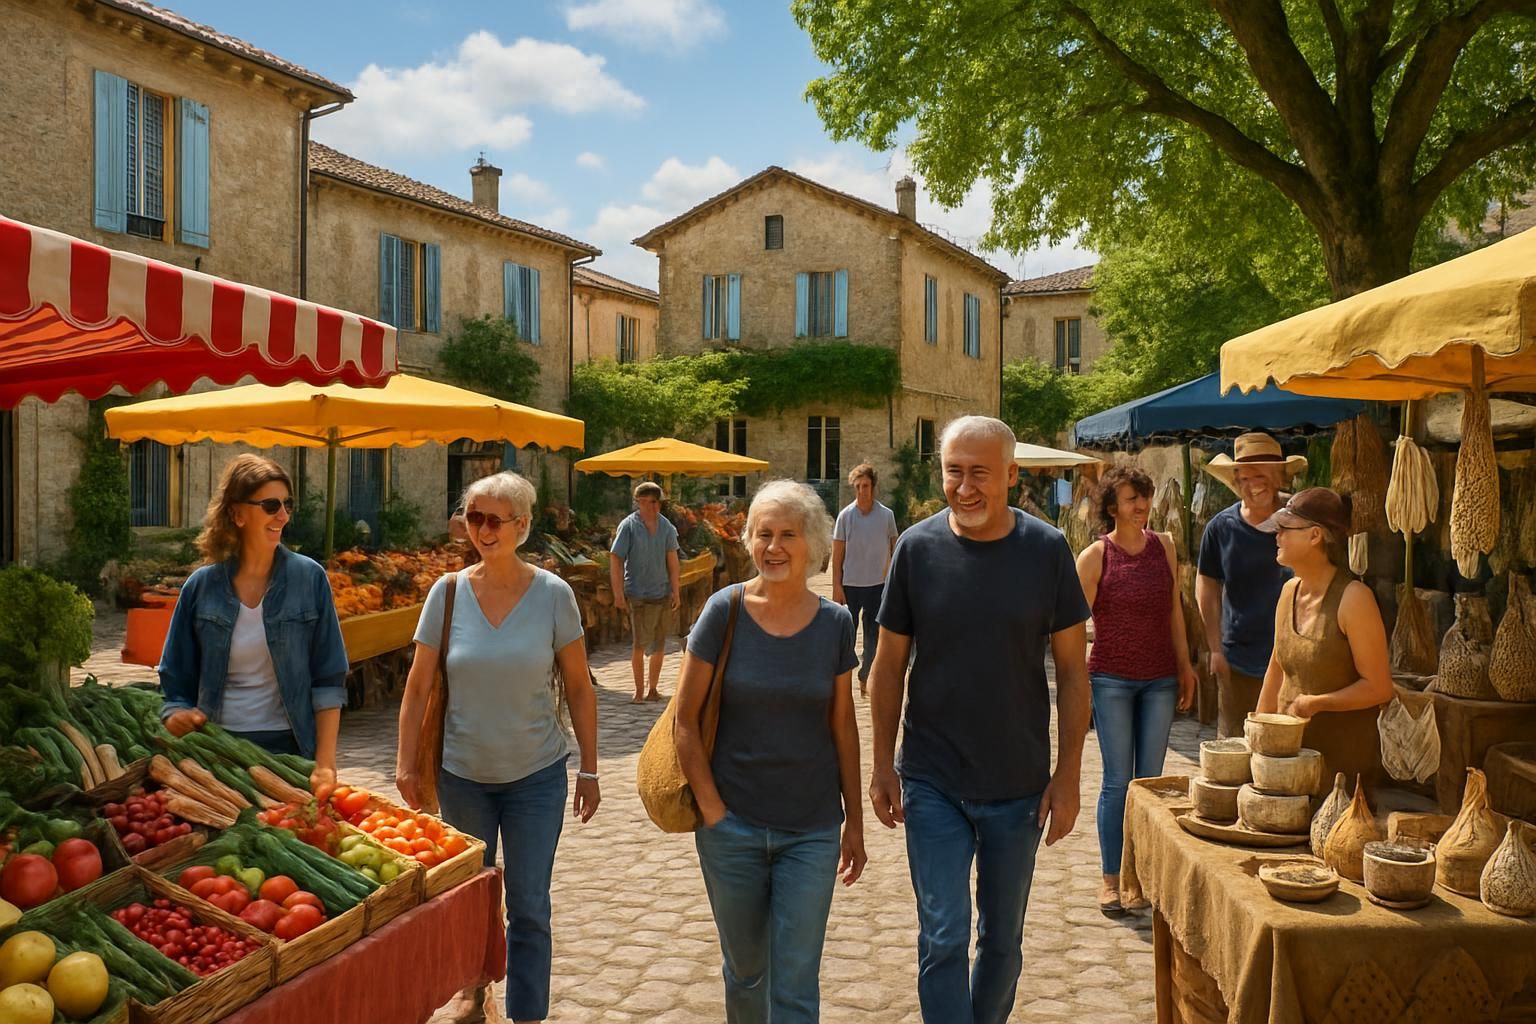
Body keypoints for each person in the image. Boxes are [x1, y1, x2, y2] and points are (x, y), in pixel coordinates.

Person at [868, 416, 1091, 1024]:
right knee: (943, 937)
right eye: (954, 472)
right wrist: (881, 765)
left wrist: (1068, 775)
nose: (964, 487)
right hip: (932, 777)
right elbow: (887, 667)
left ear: (1012, 477)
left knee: (1001, 943)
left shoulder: (1047, 551)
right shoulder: (916, 548)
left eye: (980, 474)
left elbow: (1074, 671)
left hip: (1018, 784)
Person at [395, 471, 599, 1024]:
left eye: (495, 519)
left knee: (529, 903)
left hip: (536, 774)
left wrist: (591, 769)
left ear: (523, 525)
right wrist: (406, 762)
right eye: (474, 518)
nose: (483, 530)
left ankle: (527, 1012)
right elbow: (417, 686)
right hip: (463, 774)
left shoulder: (554, 595)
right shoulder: (449, 592)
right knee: (470, 899)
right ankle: (472, 988)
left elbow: (579, 686)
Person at [674, 480, 866, 1023]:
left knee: (797, 981)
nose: (775, 547)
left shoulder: (834, 623)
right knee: (746, 971)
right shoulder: (723, 611)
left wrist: (852, 822)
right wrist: (712, 811)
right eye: (764, 534)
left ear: (814, 544)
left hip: (811, 829)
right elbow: (685, 720)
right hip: (730, 828)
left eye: (788, 534)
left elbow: (844, 728)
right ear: (748, 541)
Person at [158, 454, 346, 799]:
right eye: (271, 505)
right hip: (217, 752)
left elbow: (328, 679)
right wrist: (176, 714)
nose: (283, 516)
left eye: (287, 505)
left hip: (290, 751)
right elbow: (175, 680)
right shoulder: (201, 587)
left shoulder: (309, 579)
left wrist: (325, 763)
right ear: (237, 514)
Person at [1075, 467, 1197, 916]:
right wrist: (1075, 687)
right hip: (1110, 680)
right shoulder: (1096, 556)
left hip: (1160, 679)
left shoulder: (1163, 545)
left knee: (1150, 784)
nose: (1141, 505)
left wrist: (1185, 667)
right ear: (1112, 507)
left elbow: (1174, 613)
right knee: (1116, 782)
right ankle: (1111, 879)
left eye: (1144, 497)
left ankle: (1141, 877)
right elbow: (1071, 628)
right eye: (1131, 498)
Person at [1256, 487, 1392, 792]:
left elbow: (1380, 687)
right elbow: (1277, 667)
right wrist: (1259, 731)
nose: (1276, 536)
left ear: (1315, 536)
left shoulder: (1354, 599)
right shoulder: (1289, 591)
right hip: (1288, 765)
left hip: (1341, 776)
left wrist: (1318, 703)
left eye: (1285, 529)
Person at [1196, 432, 1307, 738]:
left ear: (1279, 476)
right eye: (1243, 478)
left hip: (1294, 662)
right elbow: (1206, 586)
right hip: (1239, 662)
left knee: (1287, 751)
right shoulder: (1221, 528)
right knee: (1236, 747)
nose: (1251, 484)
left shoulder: (1300, 521)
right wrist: (1215, 649)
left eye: (1259, 475)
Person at [610, 481, 681, 702]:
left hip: (661, 591)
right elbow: (616, 558)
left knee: (659, 643)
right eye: (641, 502)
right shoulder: (629, 526)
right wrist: (618, 593)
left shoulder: (666, 527)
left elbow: (672, 559)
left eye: (650, 502)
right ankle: (639, 690)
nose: (646, 507)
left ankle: (653, 689)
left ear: (658, 504)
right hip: (638, 593)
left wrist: (676, 590)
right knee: (640, 643)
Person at [831, 463, 899, 695]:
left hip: (877, 587)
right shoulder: (845, 517)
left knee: (874, 636)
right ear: (854, 488)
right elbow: (837, 554)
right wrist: (836, 587)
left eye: (866, 486)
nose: (862, 490)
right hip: (851, 585)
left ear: (873, 487)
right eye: (858, 486)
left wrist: (893, 583)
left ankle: (865, 673)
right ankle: (841, 679)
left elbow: (894, 548)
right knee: (847, 633)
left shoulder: (886, 516)